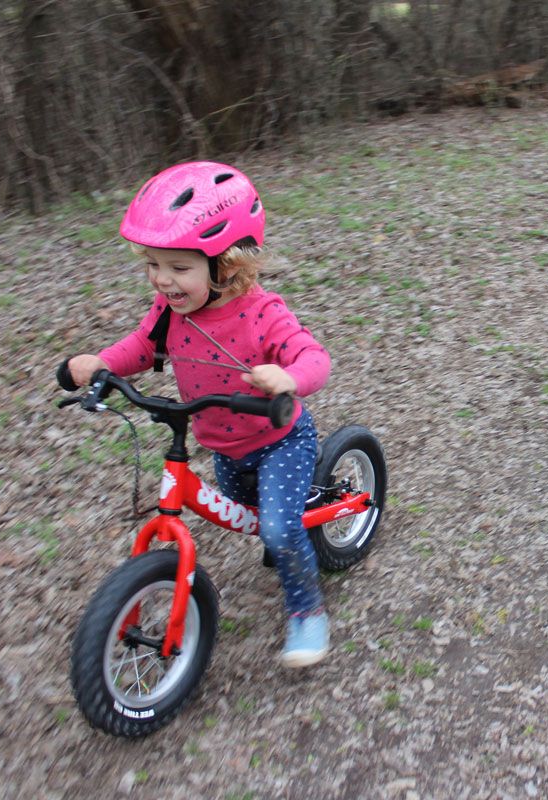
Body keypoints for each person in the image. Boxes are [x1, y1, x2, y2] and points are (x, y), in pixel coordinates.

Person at [66, 161, 333, 668]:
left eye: (179, 268)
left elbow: (315, 359)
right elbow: (142, 347)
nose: (162, 281)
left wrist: (289, 378)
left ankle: (307, 611)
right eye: (153, 265)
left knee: (277, 529)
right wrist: (102, 363)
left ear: (226, 265)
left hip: (279, 438)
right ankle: (284, 530)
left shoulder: (261, 312)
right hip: (223, 444)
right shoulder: (168, 311)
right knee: (246, 515)